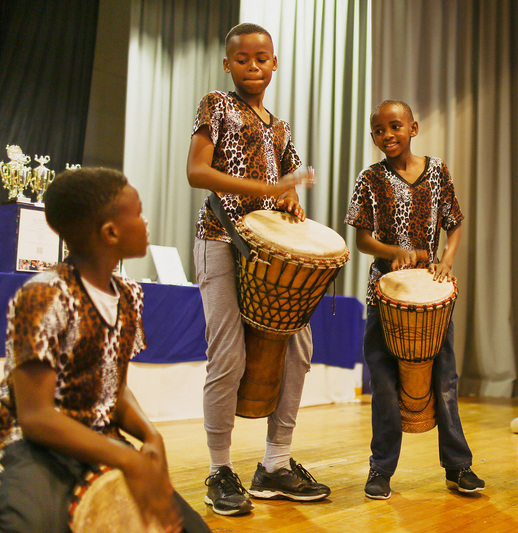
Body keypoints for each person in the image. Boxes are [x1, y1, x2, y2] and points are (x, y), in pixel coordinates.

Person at [0, 168, 210, 532]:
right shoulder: (43, 295)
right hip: (35, 444)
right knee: (27, 526)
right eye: (139, 213)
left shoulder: (130, 295)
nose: (146, 223)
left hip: (101, 436)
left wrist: (150, 434)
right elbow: (36, 417)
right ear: (111, 232)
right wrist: (127, 461)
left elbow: (114, 387)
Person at [186, 22, 329, 516]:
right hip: (221, 238)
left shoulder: (280, 126)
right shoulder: (216, 105)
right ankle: (219, 469)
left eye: (262, 58)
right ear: (228, 64)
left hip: (268, 254)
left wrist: (289, 200)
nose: (253, 66)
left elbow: (287, 184)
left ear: (274, 63)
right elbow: (196, 172)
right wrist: (265, 192)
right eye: (243, 58)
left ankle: (274, 464)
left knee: (300, 350)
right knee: (227, 355)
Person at [345, 100, 485, 500]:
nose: (387, 136)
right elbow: (361, 238)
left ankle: (459, 468)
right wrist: (391, 252)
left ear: (414, 128)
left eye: (394, 127)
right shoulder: (369, 178)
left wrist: (445, 260)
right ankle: (380, 471)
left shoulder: (438, 171)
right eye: (378, 130)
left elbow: (455, 223)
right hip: (383, 296)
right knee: (385, 384)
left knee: (445, 380)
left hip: (430, 298)